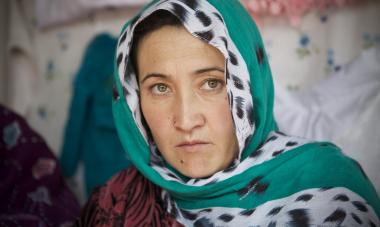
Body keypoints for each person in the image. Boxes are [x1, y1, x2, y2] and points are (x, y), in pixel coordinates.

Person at [75, 0, 380, 226]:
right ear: (133, 100)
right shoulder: (114, 201)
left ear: (249, 88)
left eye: (211, 83)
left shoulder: (328, 190)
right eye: (160, 88)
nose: (185, 120)